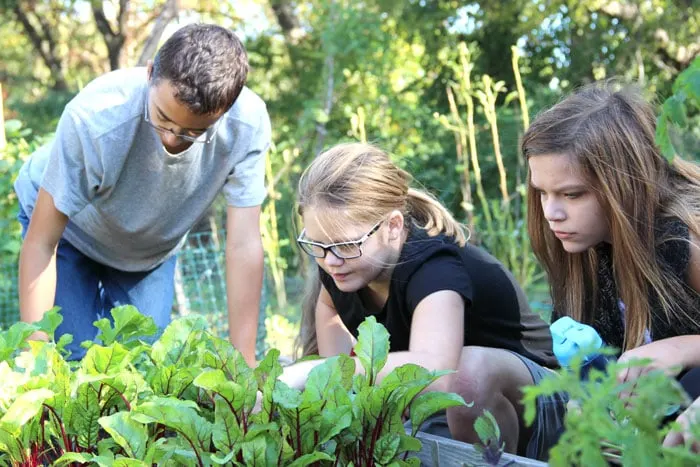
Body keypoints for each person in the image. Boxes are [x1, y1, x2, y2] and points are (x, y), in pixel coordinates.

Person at [282, 142, 561, 460]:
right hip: (458, 414)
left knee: (466, 377)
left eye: (346, 244)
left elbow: (436, 370)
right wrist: (342, 395)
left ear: (393, 226)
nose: (329, 261)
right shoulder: (343, 264)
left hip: (546, 402)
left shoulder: (432, 267)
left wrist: (319, 371)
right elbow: (329, 308)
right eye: (316, 244)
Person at [14, 24, 271, 365]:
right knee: (70, 358)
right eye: (163, 119)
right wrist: (37, 359)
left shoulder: (247, 125)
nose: (171, 139)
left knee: (143, 365)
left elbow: (243, 244)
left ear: (227, 110)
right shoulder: (95, 117)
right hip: (71, 234)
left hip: (149, 249)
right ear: (149, 73)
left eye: (193, 132)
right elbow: (42, 242)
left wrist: (245, 361)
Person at [524, 82, 700, 443]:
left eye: (572, 194)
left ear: (623, 184)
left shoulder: (684, 242)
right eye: (542, 193)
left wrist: (681, 348)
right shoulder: (582, 253)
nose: (551, 213)